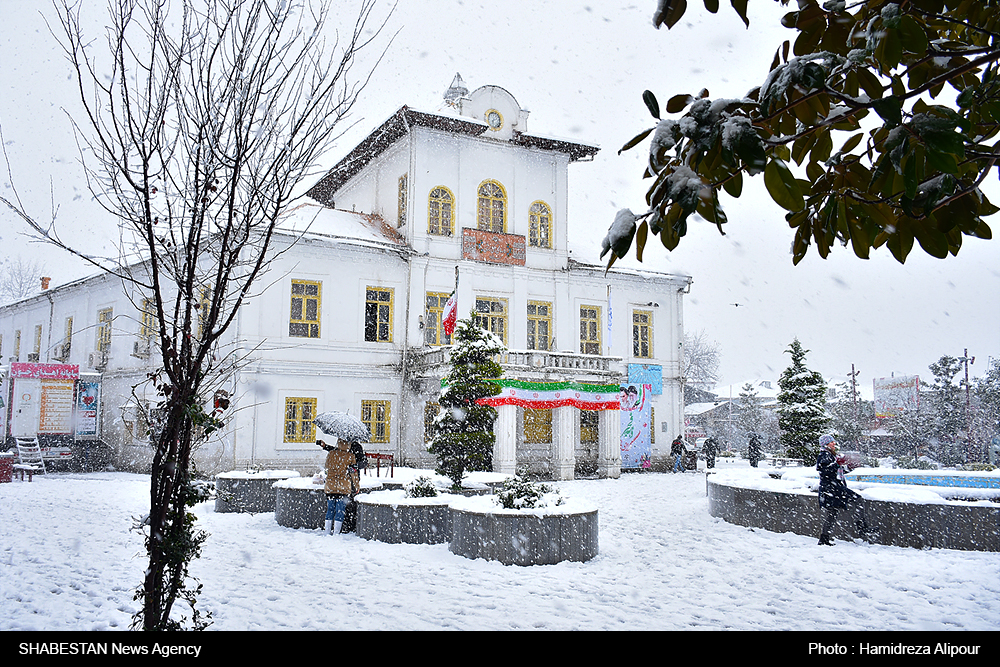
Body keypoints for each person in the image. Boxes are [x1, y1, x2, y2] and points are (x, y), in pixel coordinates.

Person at [816, 434, 875, 545]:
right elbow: (824, 471)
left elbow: (837, 470)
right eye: (831, 442)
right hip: (833, 488)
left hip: (831, 488)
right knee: (857, 500)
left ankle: (824, 539)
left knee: (832, 513)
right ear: (826, 444)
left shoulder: (830, 455)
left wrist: (849, 467)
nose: (834, 444)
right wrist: (838, 464)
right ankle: (862, 528)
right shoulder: (824, 455)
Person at [320, 438, 356, 535]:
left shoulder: (331, 454)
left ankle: (327, 531)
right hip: (343, 487)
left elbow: (327, 466)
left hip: (330, 486)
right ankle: (336, 532)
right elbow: (353, 473)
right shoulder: (350, 456)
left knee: (330, 509)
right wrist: (356, 485)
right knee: (340, 510)